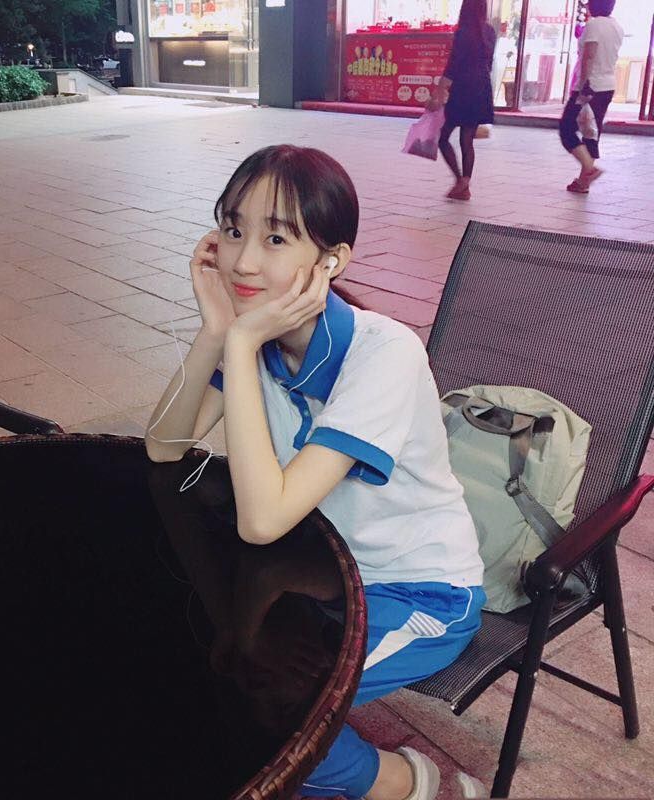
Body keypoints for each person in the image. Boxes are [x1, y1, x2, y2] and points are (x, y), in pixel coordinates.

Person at [145, 144, 487, 800]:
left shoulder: (382, 353)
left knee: (278, 720)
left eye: (276, 238)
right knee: (196, 673)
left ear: (331, 261)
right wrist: (216, 332)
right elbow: (164, 447)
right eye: (233, 229)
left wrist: (240, 341)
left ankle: (413, 783)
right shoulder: (260, 341)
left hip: (420, 592)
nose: (243, 261)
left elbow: (264, 519)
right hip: (319, 571)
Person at [427, 0, 497, 201]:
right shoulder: (489, 31)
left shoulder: (463, 32)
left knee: (443, 137)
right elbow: (489, 62)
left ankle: (460, 181)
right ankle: (464, 184)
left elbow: (453, 65)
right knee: (467, 140)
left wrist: (438, 93)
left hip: (463, 88)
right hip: (482, 88)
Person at [558, 0, 623, 194]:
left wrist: (582, 87)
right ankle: (583, 182)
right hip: (607, 85)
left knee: (566, 128)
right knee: (591, 131)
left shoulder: (595, 25)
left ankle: (589, 168)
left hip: (590, 86)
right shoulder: (617, 26)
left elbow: (589, 56)